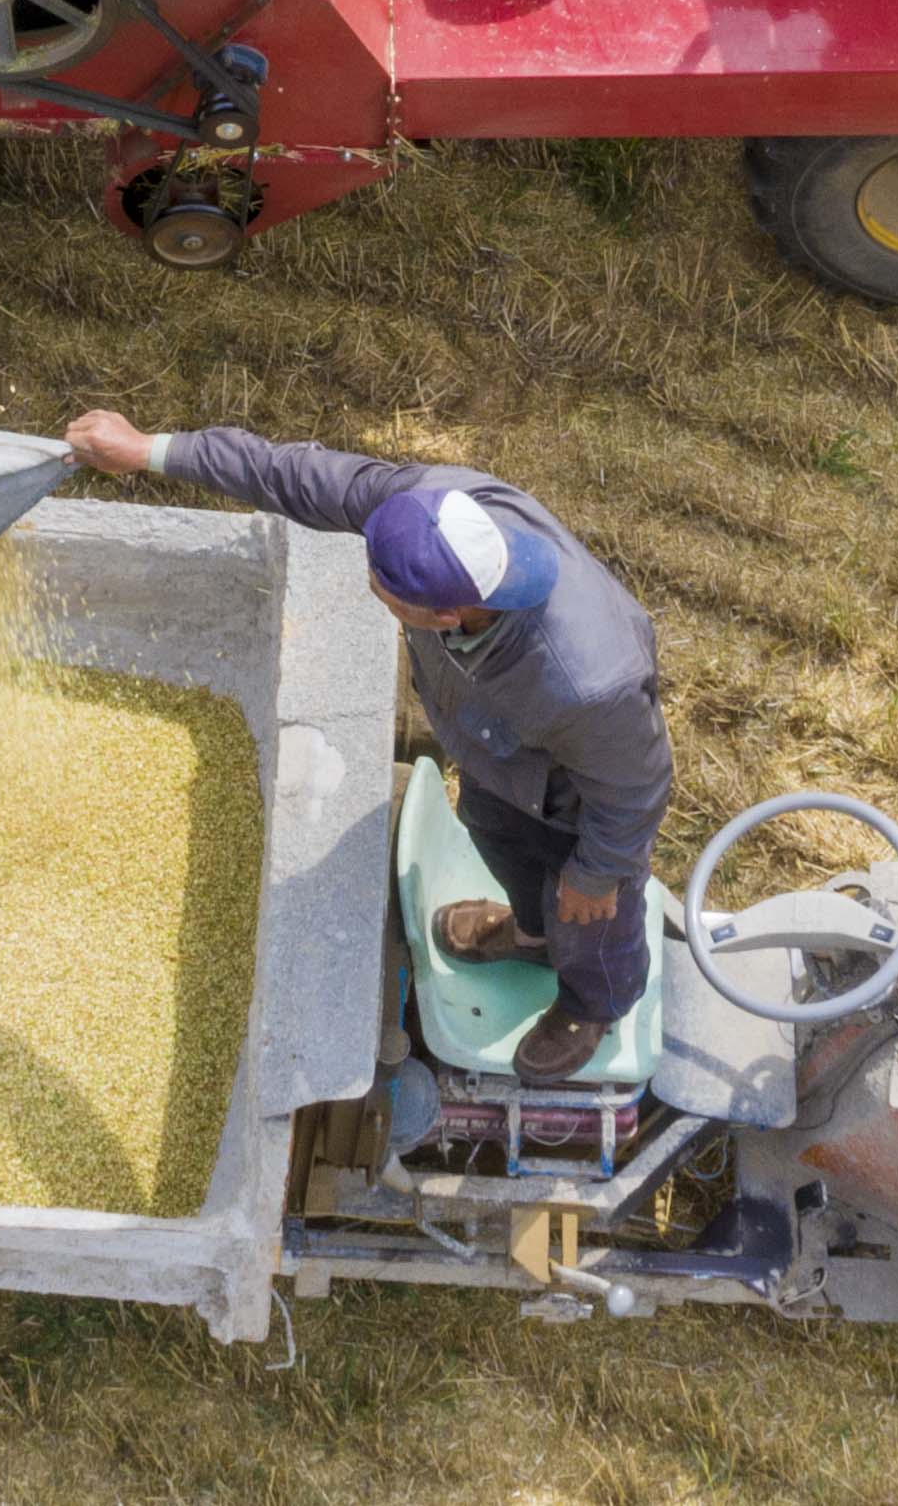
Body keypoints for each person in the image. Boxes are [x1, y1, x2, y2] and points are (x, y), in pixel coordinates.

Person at [64, 409, 667, 1080]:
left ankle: (595, 999)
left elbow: (636, 786)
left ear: (444, 617)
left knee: (587, 914)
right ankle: (530, 934)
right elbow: (289, 474)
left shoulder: (586, 681)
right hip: (500, 759)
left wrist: (598, 870)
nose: (371, 580)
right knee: (492, 832)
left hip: (582, 802)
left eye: (384, 586)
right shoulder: (433, 507)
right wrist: (150, 450)